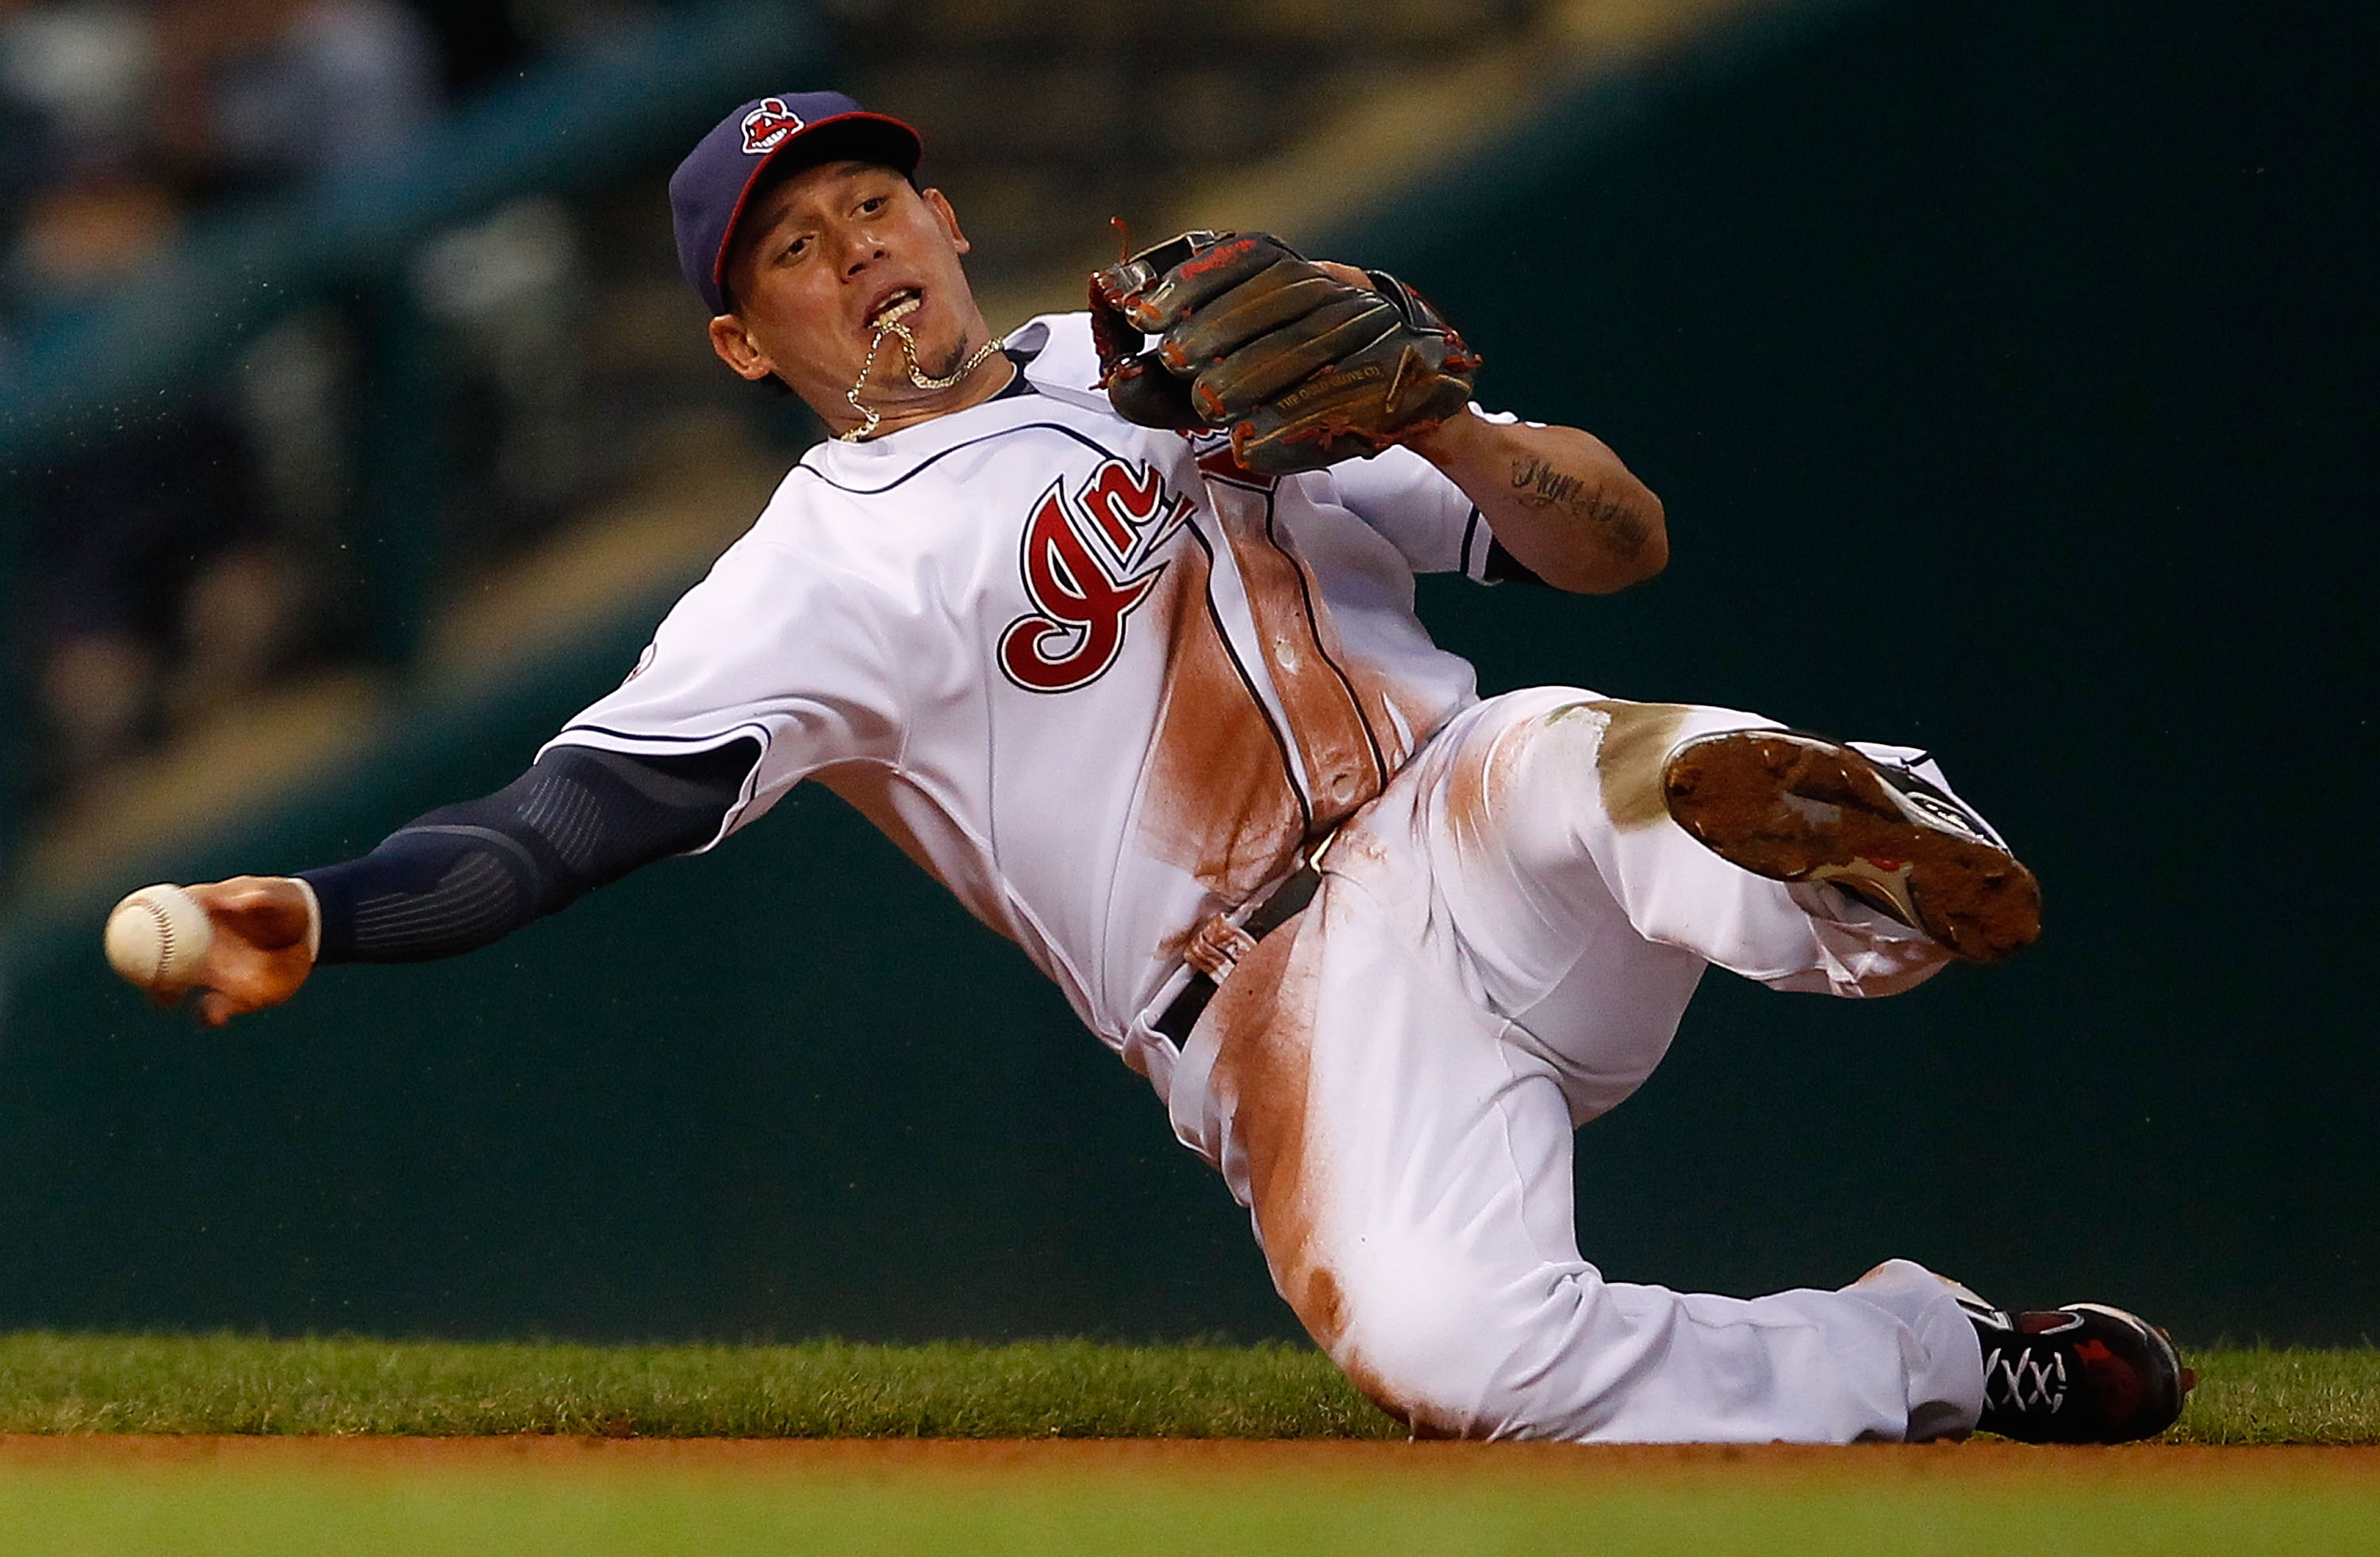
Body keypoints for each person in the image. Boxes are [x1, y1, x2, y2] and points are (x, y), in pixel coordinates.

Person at [159, 90, 2190, 1444]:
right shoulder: (804, 584)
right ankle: (1932, 1350)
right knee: (1462, 1359)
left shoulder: (1190, 350)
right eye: (794, 244)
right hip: (1281, 1016)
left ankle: (1856, 833)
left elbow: (1615, 543)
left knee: (1597, 774)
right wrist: (326, 914)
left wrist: (1452, 424)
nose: (859, 246)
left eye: (876, 198)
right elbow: (568, 819)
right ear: (739, 342)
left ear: (948, 219)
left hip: (1454, 815)